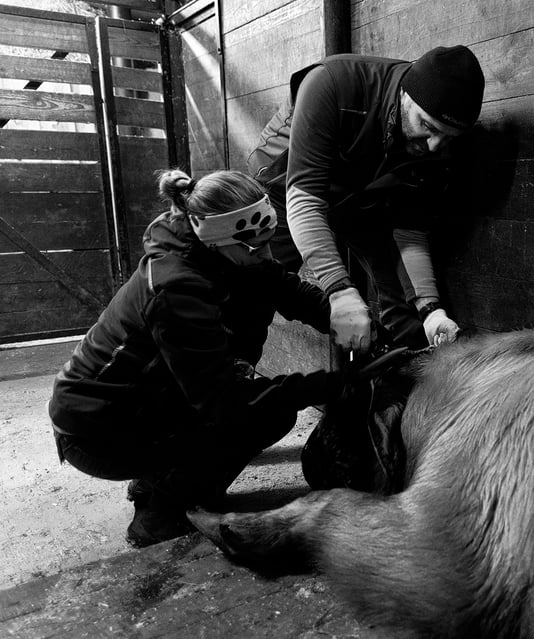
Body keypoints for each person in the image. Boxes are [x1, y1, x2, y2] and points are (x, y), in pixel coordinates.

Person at [48, 169, 347, 548]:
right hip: (97, 430)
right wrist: (330, 385)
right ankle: (160, 514)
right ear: (218, 239)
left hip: (138, 402)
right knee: (262, 415)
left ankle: (157, 478)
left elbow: (288, 289)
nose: (269, 255)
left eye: (269, 240)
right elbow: (224, 402)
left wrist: (351, 316)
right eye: (256, 248)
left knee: (257, 405)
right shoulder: (177, 286)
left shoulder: (223, 250)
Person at [247, 45, 485, 355]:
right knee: (259, 287)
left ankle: (397, 392)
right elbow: (304, 203)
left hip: (355, 190)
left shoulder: (431, 147)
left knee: (402, 301)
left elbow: (408, 230)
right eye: (427, 125)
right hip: (284, 183)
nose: (434, 145)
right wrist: (339, 290)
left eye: (448, 136)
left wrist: (431, 310)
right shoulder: (331, 83)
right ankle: (235, 373)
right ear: (404, 95)